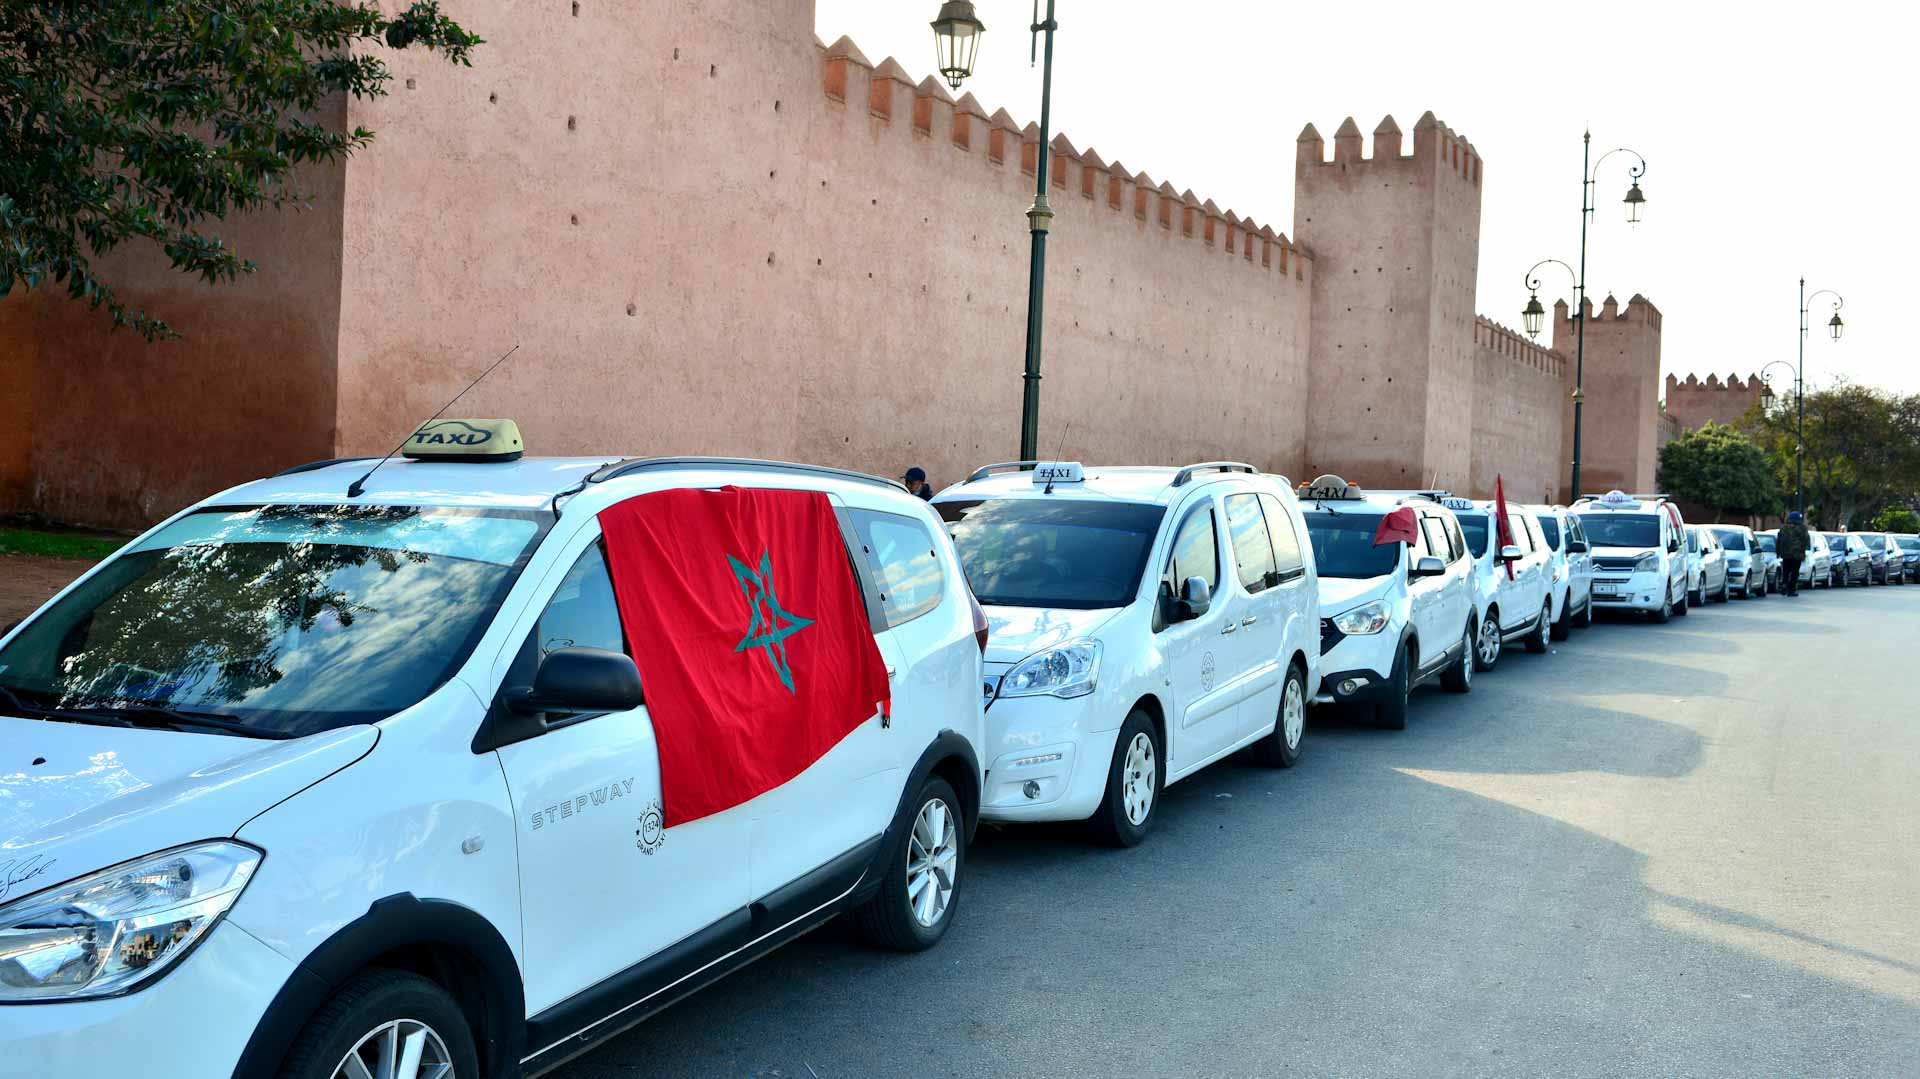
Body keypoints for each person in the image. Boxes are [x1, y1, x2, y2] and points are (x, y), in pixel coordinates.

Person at [1778, 511, 1810, 596]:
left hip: (1785, 553)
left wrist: (1778, 551)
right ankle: (1791, 589)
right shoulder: (1802, 528)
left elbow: (1779, 540)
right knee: (1795, 572)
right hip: (1797, 554)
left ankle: (1784, 584)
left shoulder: (1784, 528)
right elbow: (1806, 540)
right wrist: (1803, 549)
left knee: (1785, 570)